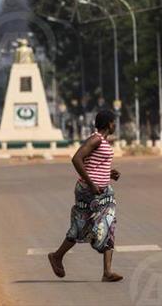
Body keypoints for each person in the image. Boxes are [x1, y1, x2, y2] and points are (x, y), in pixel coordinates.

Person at [48, 110, 123, 282]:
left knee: (109, 223)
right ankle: (57, 256)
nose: (115, 125)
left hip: (103, 191)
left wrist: (109, 173)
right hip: (89, 191)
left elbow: (92, 163)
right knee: (81, 226)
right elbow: (77, 159)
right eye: (113, 122)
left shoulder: (102, 141)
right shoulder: (95, 139)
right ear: (108, 123)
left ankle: (107, 271)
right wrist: (91, 184)